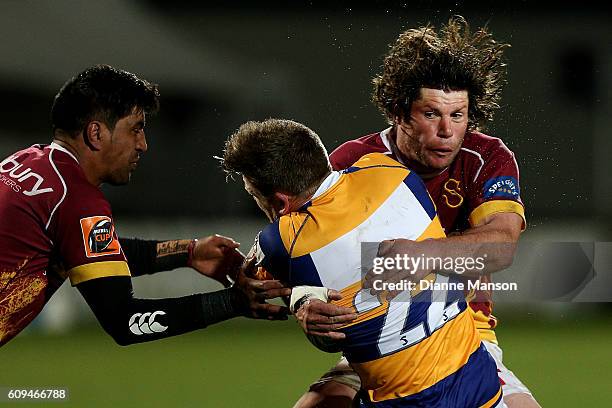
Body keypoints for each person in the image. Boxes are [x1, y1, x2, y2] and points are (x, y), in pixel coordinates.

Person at [293, 16, 540, 408]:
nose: (447, 130)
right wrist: (305, 301)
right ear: (398, 111)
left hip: (463, 332)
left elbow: (502, 246)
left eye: (457, 115)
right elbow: (300, 248)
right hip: (376, 335)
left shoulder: (487, 157)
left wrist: (422, 252)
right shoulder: (352, 162)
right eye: (431, 114)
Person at [222, 118, 505, 407]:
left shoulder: (280, 242)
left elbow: (249, 290)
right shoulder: (391, 171)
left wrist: (299, 299)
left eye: (254, 196)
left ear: (280, 203)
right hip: (481, 386)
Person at [0, 65, 289, 347]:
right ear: (96, 133)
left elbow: (90, 249)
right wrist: (233, 302)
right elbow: (126, 322)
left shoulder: (27, 161)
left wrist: (187, 252)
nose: (143, 145)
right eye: (135, 129)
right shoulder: (78, 199)